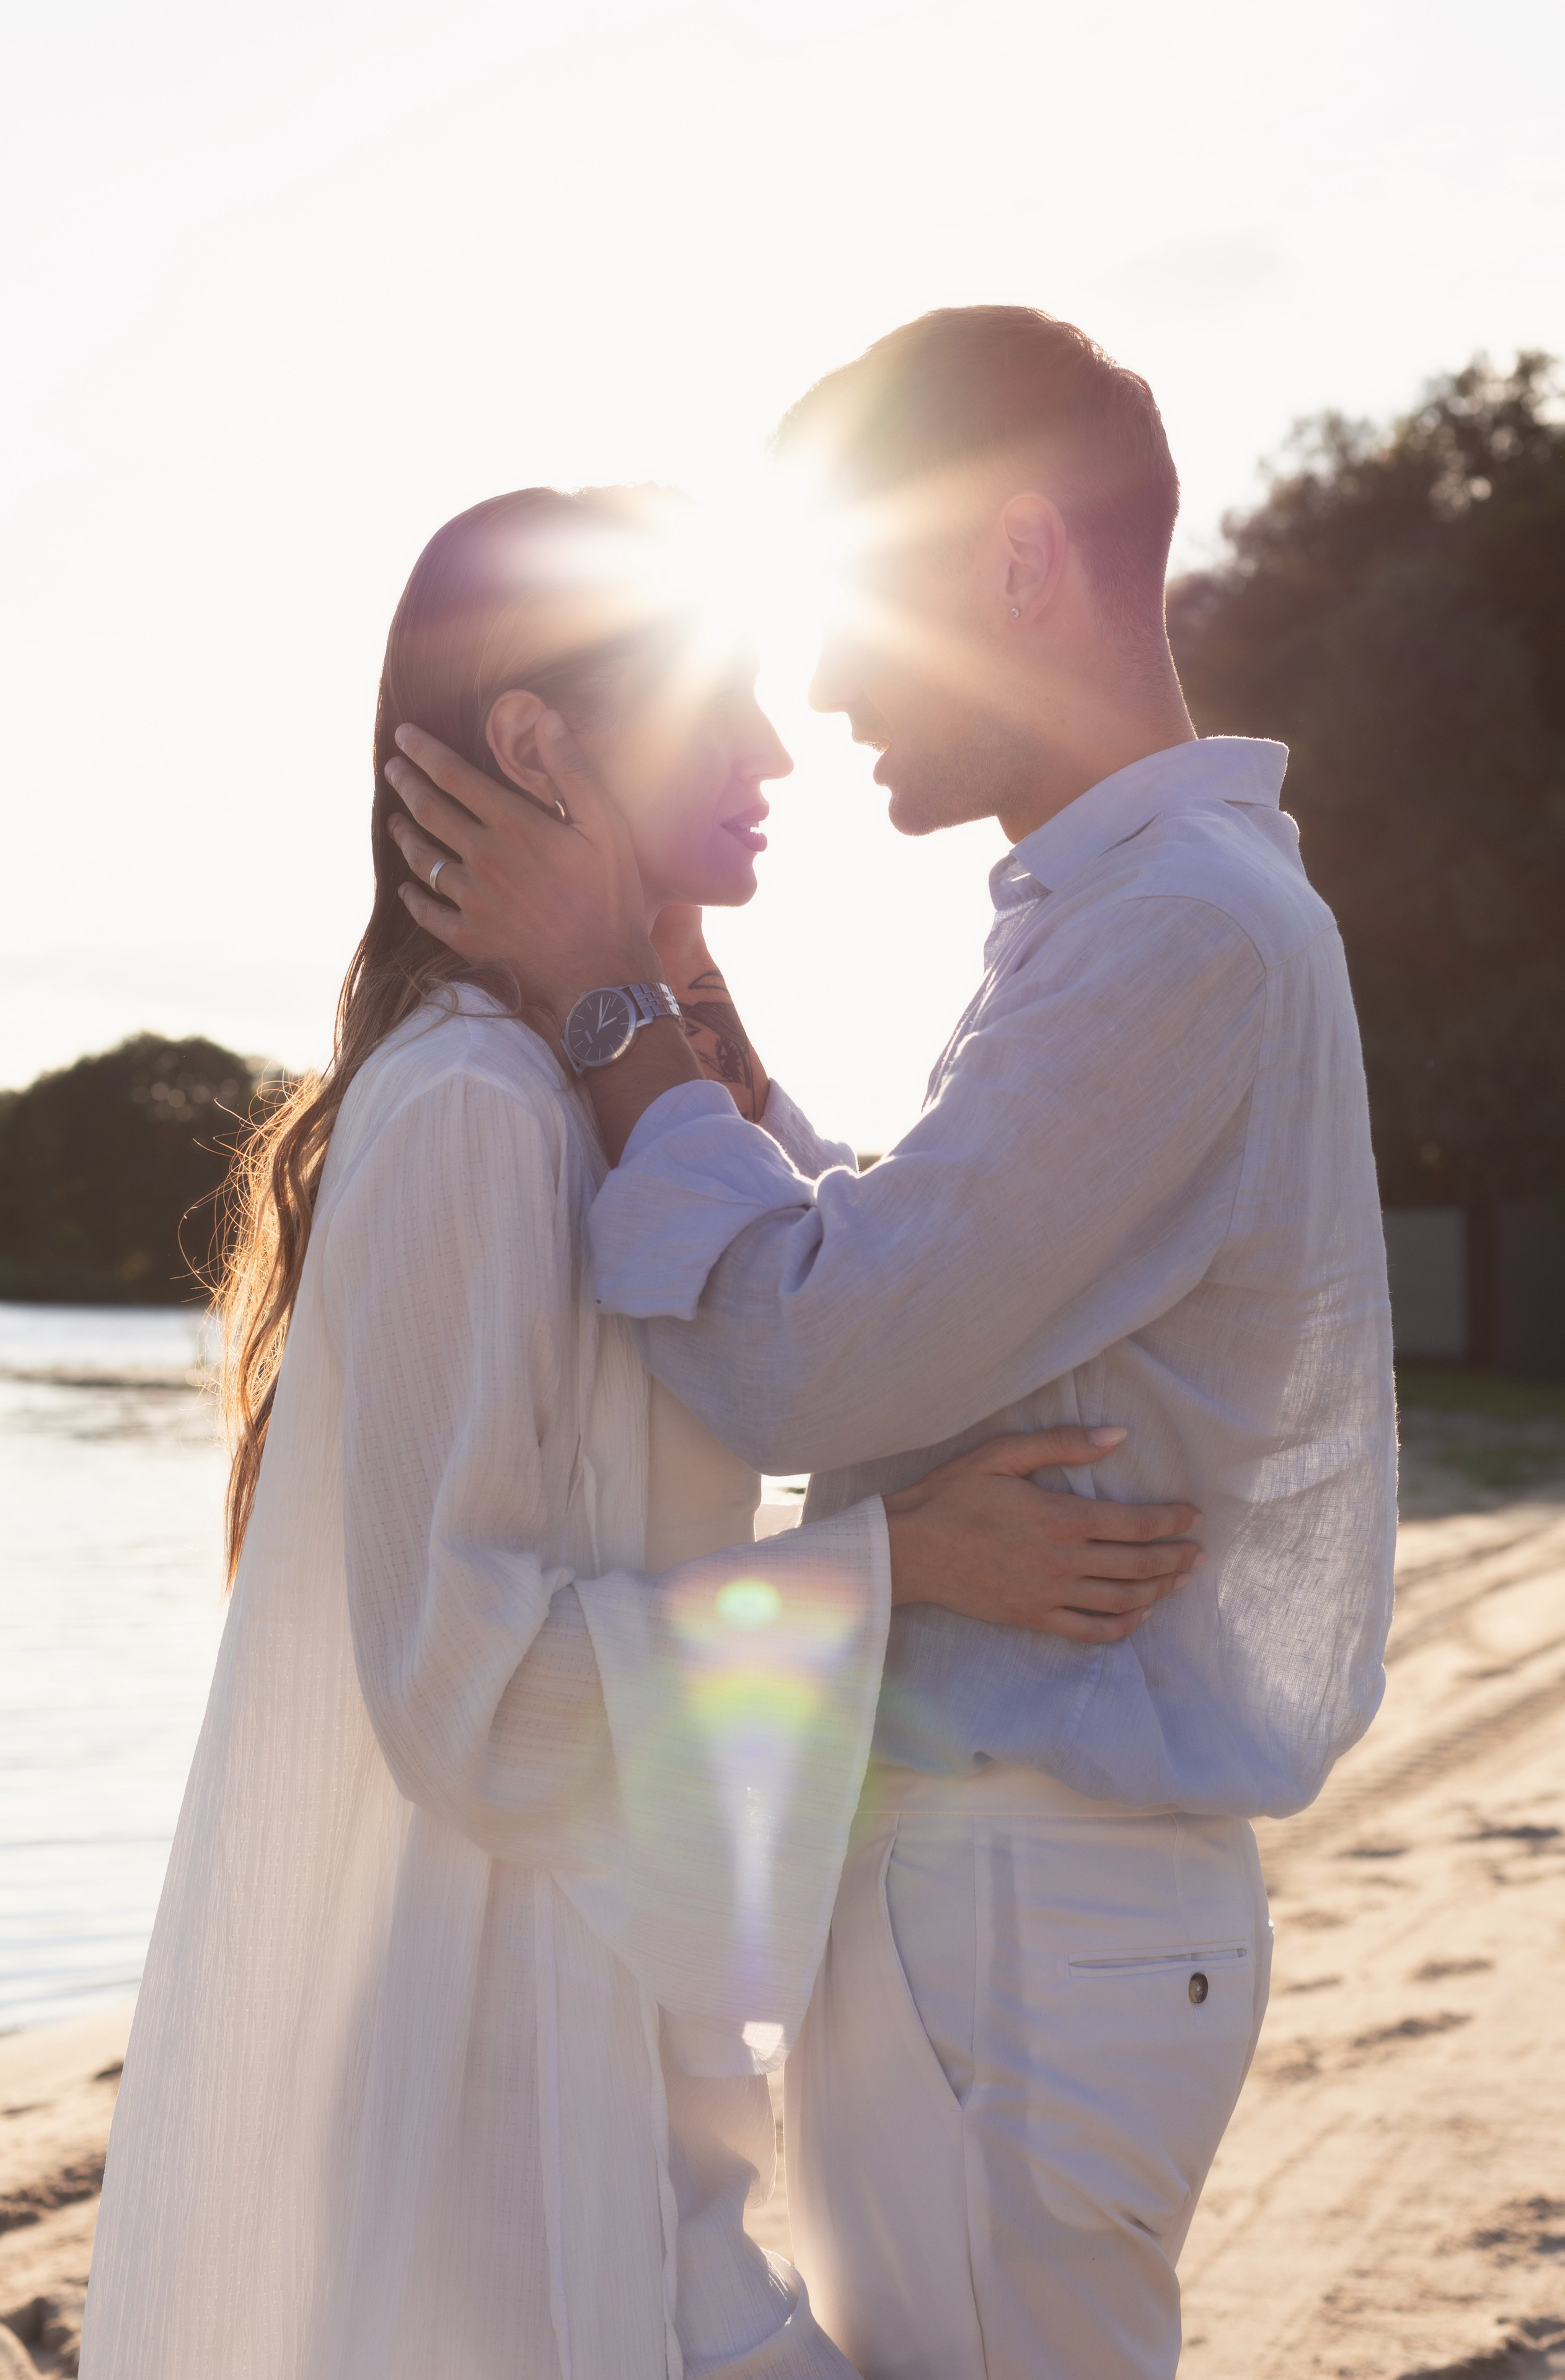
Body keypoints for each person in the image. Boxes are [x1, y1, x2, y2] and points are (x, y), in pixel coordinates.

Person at [79, 483, 1205, 2380]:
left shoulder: (585, 1100)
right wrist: (898, 1565)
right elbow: (468, 1693)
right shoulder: (470, 1115)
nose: (776, 748)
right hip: (496, 2111)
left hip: (605, 2064)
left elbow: (857, 1297)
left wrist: (678, 1031)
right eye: (720, 700)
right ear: (537, 743)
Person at [381, 307, 1400, 2380]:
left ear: (1017, 562)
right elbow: (937, 1269)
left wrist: (603, 1013)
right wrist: (709, 1061)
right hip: (991, 1897)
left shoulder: (1185, 928)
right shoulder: (1140, 908)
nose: (824, 686)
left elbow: (810, 1367)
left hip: (1038, 1908)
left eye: (852, 609)